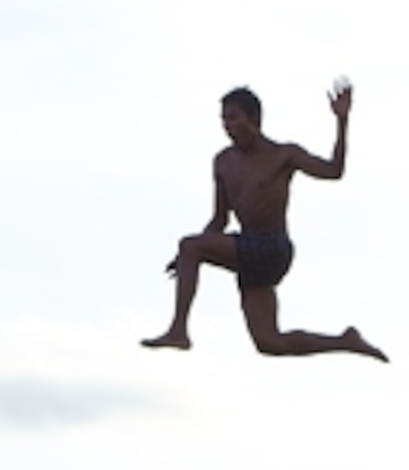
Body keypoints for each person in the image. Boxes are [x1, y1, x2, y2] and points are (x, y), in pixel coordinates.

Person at [143, 83, 387, 360]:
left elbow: (334, 171)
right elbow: (220, 218)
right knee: (269, 342)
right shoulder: (222, 162)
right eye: (223, 119)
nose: (227, 126)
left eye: (233, 118)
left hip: (272, 247)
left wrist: (342, 121)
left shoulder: (284, 155)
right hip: (249, 253)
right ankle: (346, 341)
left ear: (255, 120)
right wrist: (190, 257)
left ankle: (178, 331)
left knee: (190, 245)